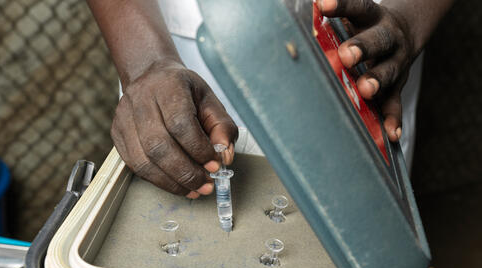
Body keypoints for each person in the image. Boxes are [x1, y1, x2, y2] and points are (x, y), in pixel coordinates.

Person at [86, 0, 454, 198]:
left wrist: (408, 21)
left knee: (359, 250)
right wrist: (145, 61)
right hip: (177, 45)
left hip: (368, 37)